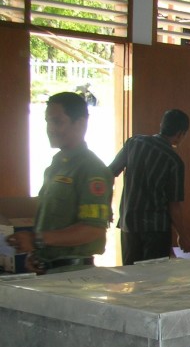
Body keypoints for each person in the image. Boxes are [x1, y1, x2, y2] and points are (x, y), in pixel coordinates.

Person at [7, 92, 112, 274]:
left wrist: (36, 239)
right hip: (49, 270)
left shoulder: (90, 169)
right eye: (47, 121)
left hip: (74, 274)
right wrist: (38, 254)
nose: (50, 129)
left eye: (57, 122)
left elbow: (93, 229)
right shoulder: (56, 166)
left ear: (79, 124)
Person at [109, 109, 190, 265]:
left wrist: (106, 205)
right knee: (154, 282)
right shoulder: (174, 161)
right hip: (156, 231)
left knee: (132, 275)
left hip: (129, 224)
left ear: (161, 125)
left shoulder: (134, 143)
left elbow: (109, 173)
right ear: (180, 134)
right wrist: (183, 236)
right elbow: (174, 205)